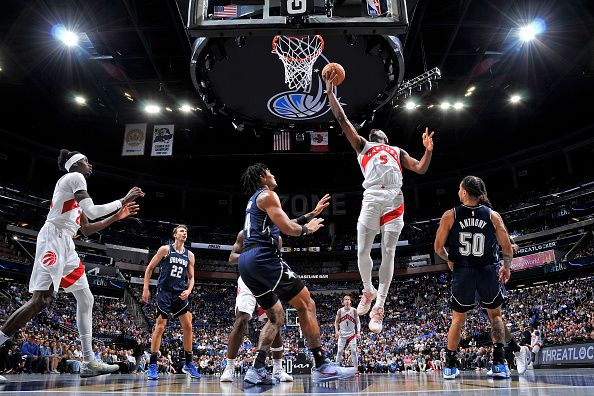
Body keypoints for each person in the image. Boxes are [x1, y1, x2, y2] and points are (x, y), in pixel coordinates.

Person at [0, 150, 143, 381]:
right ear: (75, 163)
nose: (90, 165)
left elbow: (86, 228)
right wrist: (122, 200)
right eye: (86, 160)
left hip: (66, 244)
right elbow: (93, 210)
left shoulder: (75, 195)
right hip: (53, 239)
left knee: (86, 299)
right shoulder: (74, 177)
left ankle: (88, 362)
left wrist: (117, 217)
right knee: (41, 300)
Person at [324, 72, 435, 333]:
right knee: (362, 250)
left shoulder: (397, 150)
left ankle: (380, 306)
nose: (375, 131)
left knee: (389, 252)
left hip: (395, 197)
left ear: (385, 137)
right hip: (372, 196)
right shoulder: (362, 145)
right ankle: (367, 290)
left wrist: (428, 151)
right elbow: (342, 120)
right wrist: (330, 93)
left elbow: (419, 168)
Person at [238, 163, 357, 384]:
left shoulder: (255, 200)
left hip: (246, 262)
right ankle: (322, 365)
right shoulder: (268, 194)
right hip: (264, 258)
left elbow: (283, 222)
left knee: (276, 316)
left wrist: (310, 214)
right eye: (271, 172)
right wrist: (307, 229)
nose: (274, 175)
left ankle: (256, 369)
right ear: (262, 176)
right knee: (306, 304)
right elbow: (288, 228)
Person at [434, 175, 513, 379]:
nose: (458, 192)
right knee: (495, 316)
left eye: (460, 189)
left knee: (458, 319)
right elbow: (507, 247)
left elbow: (437, 248)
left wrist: (450, 258)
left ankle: (450, 366)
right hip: (487, 270)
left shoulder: (450, 215)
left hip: (463, 272)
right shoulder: (493, 215)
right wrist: (506, 267)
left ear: (465, 192)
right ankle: (499, 364)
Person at [142, 224, 201, 380]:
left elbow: (192, 277)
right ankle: (153, 365)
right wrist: (146, 288)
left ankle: (188, 363)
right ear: (175, 234)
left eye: (186, 232)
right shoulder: (165, 250)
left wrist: (189, 290)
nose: (184, 233)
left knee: (188, 325)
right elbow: (149, 268)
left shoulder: (190, 255)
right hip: (165, 292)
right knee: (160, 326)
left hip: (180, 293)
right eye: (182, 231)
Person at [334, 295, 360, 367]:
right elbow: (336, 322)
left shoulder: (354, 310)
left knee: (354, 351)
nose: (347, 300)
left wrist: (358, 332)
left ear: (350, 301)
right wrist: (336, 331)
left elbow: (358, 322)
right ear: (343, 302)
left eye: (348, 299)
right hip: (342, 334)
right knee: (339, 352)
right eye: (345, 299)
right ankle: (336, 368)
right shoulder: (340, 311)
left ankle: (356, 369)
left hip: (351, 334)